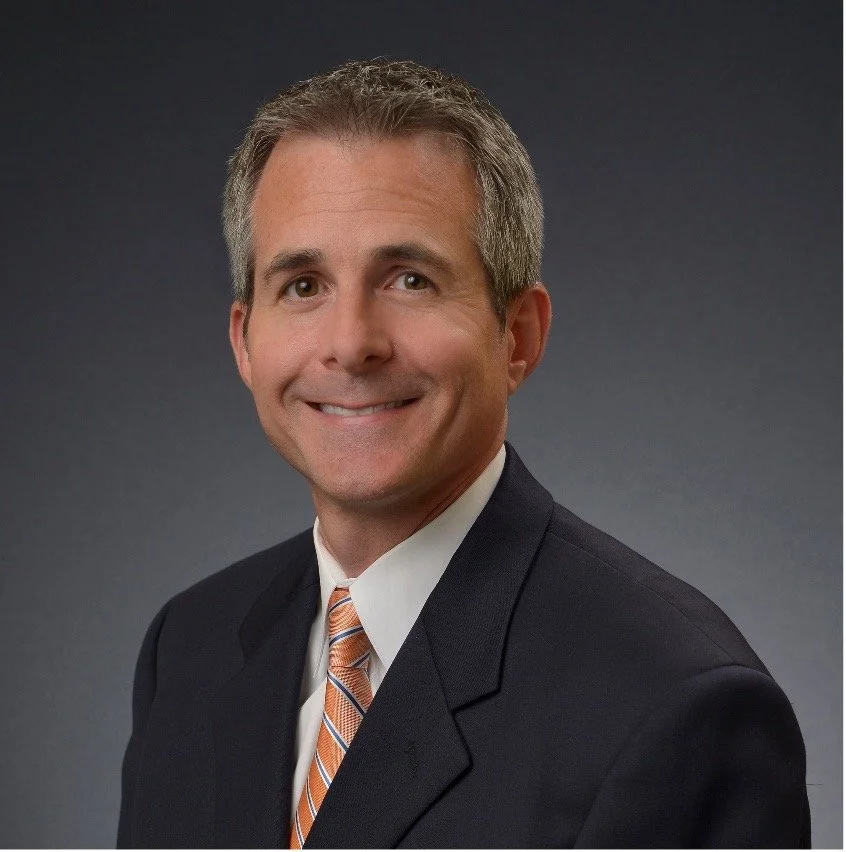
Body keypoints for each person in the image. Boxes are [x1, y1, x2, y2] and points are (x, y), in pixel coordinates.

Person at [117, 59, 810, 848]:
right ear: (245, 340)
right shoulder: (191, 648)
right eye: (304, 286)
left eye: (409, 279)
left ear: (518, 336)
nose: (351, 345)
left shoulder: (675, 704)